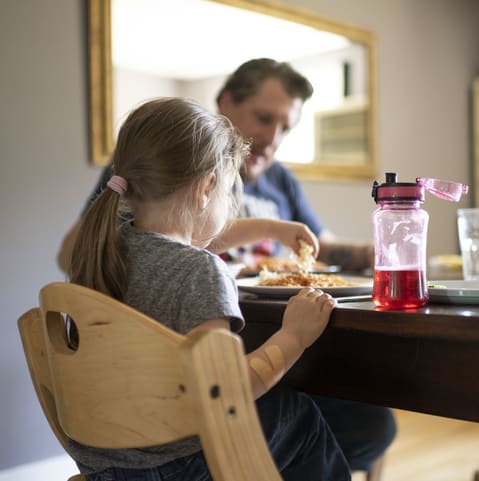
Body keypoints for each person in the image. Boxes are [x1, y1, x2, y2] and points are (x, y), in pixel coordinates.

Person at [58, 59, 396, 475]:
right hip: (179, 464)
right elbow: (230, 389)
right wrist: (294, 335)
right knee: (298, 415)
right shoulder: (201, 272)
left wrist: (271, 227)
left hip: (106, 459)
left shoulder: (109, 248)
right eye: (229, 191)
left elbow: (185, 242)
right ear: (206, 191)